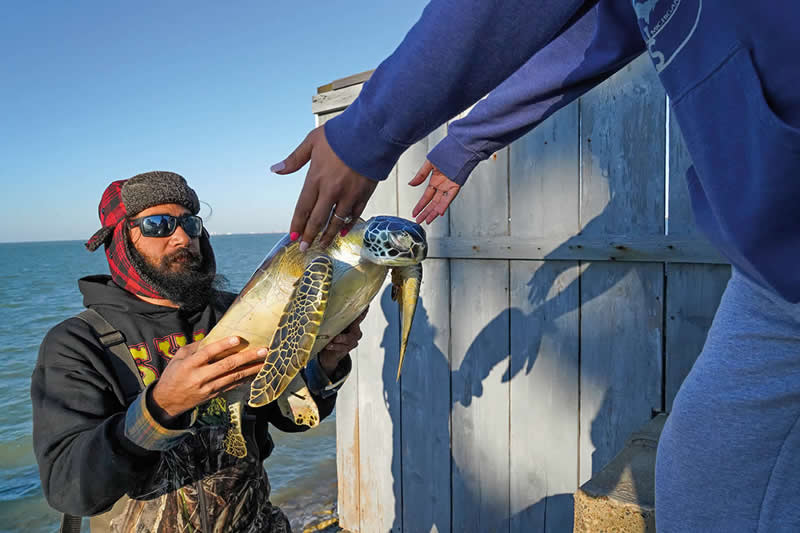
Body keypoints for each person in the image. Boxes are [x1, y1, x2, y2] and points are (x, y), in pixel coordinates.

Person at [271, 1, 800, 530]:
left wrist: (367, 131)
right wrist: (468, 140)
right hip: (772, 270)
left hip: (776, 244)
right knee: (703, 475)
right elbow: (605, 27)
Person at [31, 171, 360, 533]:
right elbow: (68, 488)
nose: (183, 237)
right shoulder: (80, 343)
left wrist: (325, 363)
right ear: (121, 239)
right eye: (158, 224)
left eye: (190, 222)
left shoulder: (236, 312)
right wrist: (160, 408)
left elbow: (287, 415)